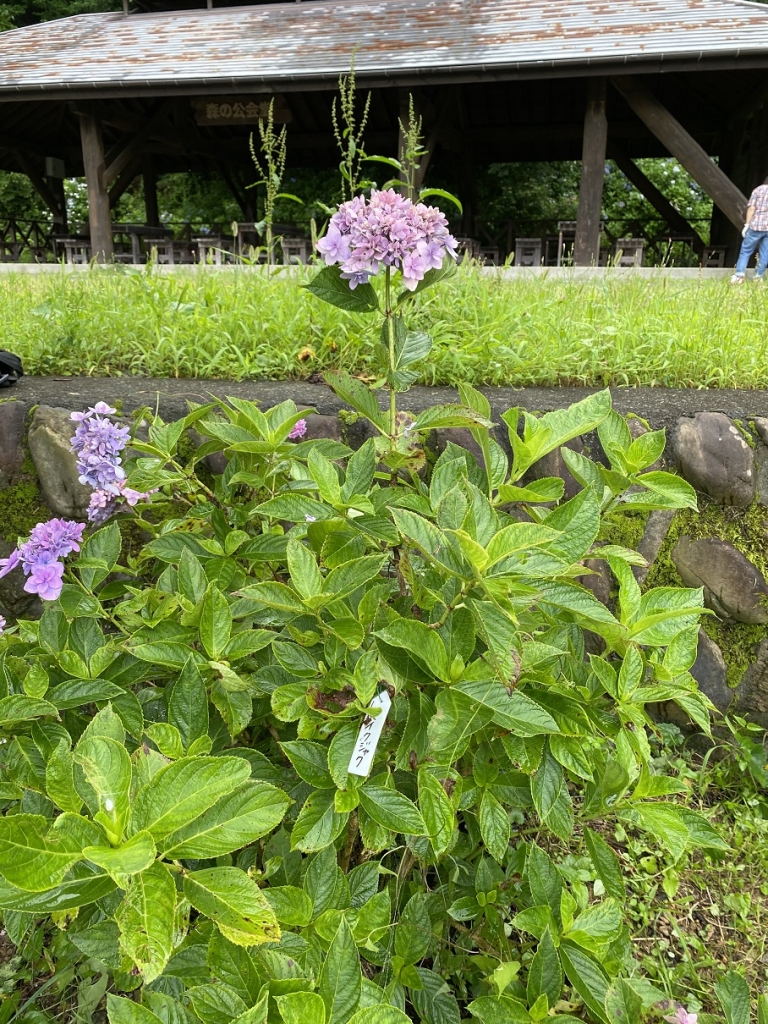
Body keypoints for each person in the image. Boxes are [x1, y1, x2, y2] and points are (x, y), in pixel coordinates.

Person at [731, 174, 768, 283]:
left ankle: (739, 275)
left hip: (755, 225)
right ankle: (758, 276)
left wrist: (747, 225)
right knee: (765, 253)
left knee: (746, 251)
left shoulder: (757, 190)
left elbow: (751, 208)